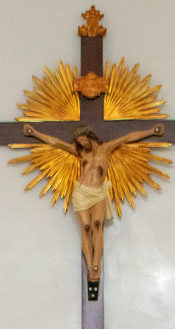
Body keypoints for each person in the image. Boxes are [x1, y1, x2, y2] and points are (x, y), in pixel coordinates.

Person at [22, 122, 165, 299]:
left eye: (83, 138)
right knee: (86, 228)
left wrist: (151, 130)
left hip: (98, 193)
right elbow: (56, 143)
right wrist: (35, 133)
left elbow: (128, 138)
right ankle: (90, 266)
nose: (81, 143)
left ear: (90, 136)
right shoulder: (80, 152)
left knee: (98, 225)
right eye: (79, 141)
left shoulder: (107, 148)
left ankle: (96, 264)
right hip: (82, 193)